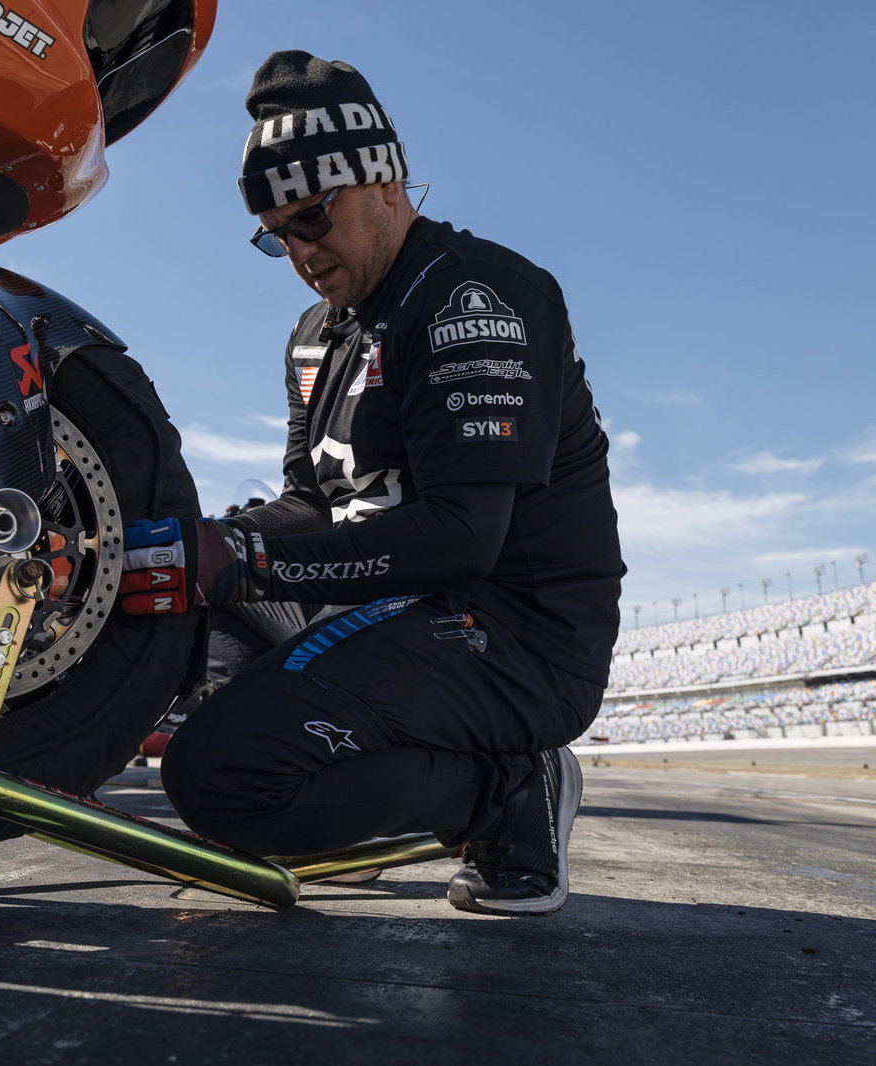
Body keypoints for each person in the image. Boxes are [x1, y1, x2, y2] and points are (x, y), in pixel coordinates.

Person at [117, 50, 625, 916]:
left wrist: (244, 564)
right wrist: (187, 545)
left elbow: (464, 537)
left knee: (220, 779)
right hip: (388, 610)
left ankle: (509, 790)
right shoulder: (316, 332)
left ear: (386, 182)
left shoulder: (479, 296)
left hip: (512, 634)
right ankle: (349, 795)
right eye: (278, 234)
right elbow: (309, 505)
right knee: (175, 593)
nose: (301, 252)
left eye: (313, 218)